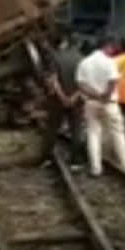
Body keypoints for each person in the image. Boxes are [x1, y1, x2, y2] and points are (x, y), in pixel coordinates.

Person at [75, 35, 125, 176]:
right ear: (106, 46)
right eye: (112, 47)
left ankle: (96, 168)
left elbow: (81, 84)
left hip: (91, 103)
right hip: (110, 103)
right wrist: (105, 96)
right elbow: (113, 81)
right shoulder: (109, 62)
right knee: (118, 133)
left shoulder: (84, 62)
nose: (113, 50)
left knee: (93, 134)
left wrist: (95, 95)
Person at [41, 32, 85, 168]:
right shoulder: (82, 59)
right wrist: (73, 97)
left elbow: (53, 80)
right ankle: (75, 161)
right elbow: (84, 83)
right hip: (76, 101)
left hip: (57, 101)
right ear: (79, 44)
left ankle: (46, 158)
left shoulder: (56, 57)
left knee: (52, 128)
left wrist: (63, 97)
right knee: (76, 129)